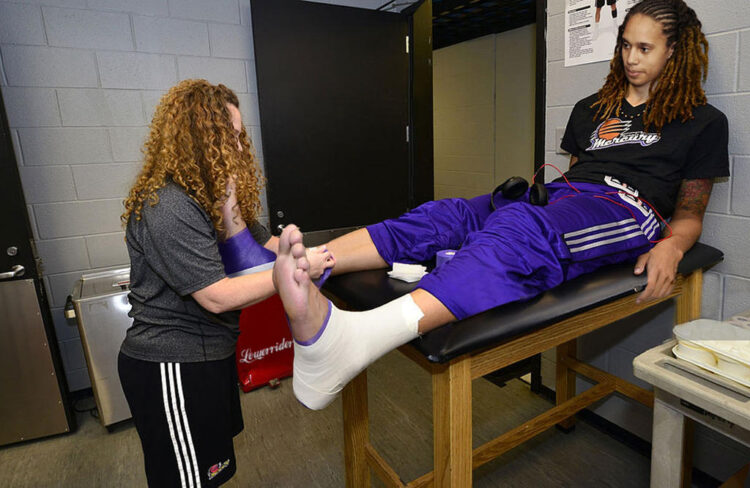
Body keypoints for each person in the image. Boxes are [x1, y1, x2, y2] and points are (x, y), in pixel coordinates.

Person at [261, 0, 730, 412]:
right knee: (448, 214)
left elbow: (689, 214)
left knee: (522, 230)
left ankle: (359, 338)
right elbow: (573, 177)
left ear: (676, 50)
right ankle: (308, 264)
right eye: (625, 45)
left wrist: (673, 246)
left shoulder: (703, 122)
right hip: (567, 195)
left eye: (644, 48)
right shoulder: (592, 108)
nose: (630, 57)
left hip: (627, 211)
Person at [118, 79, 332, 487]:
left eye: (238, 137)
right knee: (187, 480)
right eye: (226, 137)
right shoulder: (166, 204)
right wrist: (288, 273)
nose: (237, 148)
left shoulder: (213, 194)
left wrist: (309, 253)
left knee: (213, 471)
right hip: (172, 362)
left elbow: (264, 244)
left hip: (211, 354)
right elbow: (216, 296)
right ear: (197, 138)